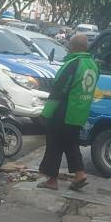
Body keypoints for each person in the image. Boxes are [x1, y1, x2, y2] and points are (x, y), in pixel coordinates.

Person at [36, 34, 98, 191]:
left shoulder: (72, 64)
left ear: (72, 46)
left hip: (65, 111)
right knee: (71, 143)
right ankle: (80, 174)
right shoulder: (93, 65)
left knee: (54, 144)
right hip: (80, 112)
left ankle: (51, 180)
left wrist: (46, 113)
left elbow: (59, 91)